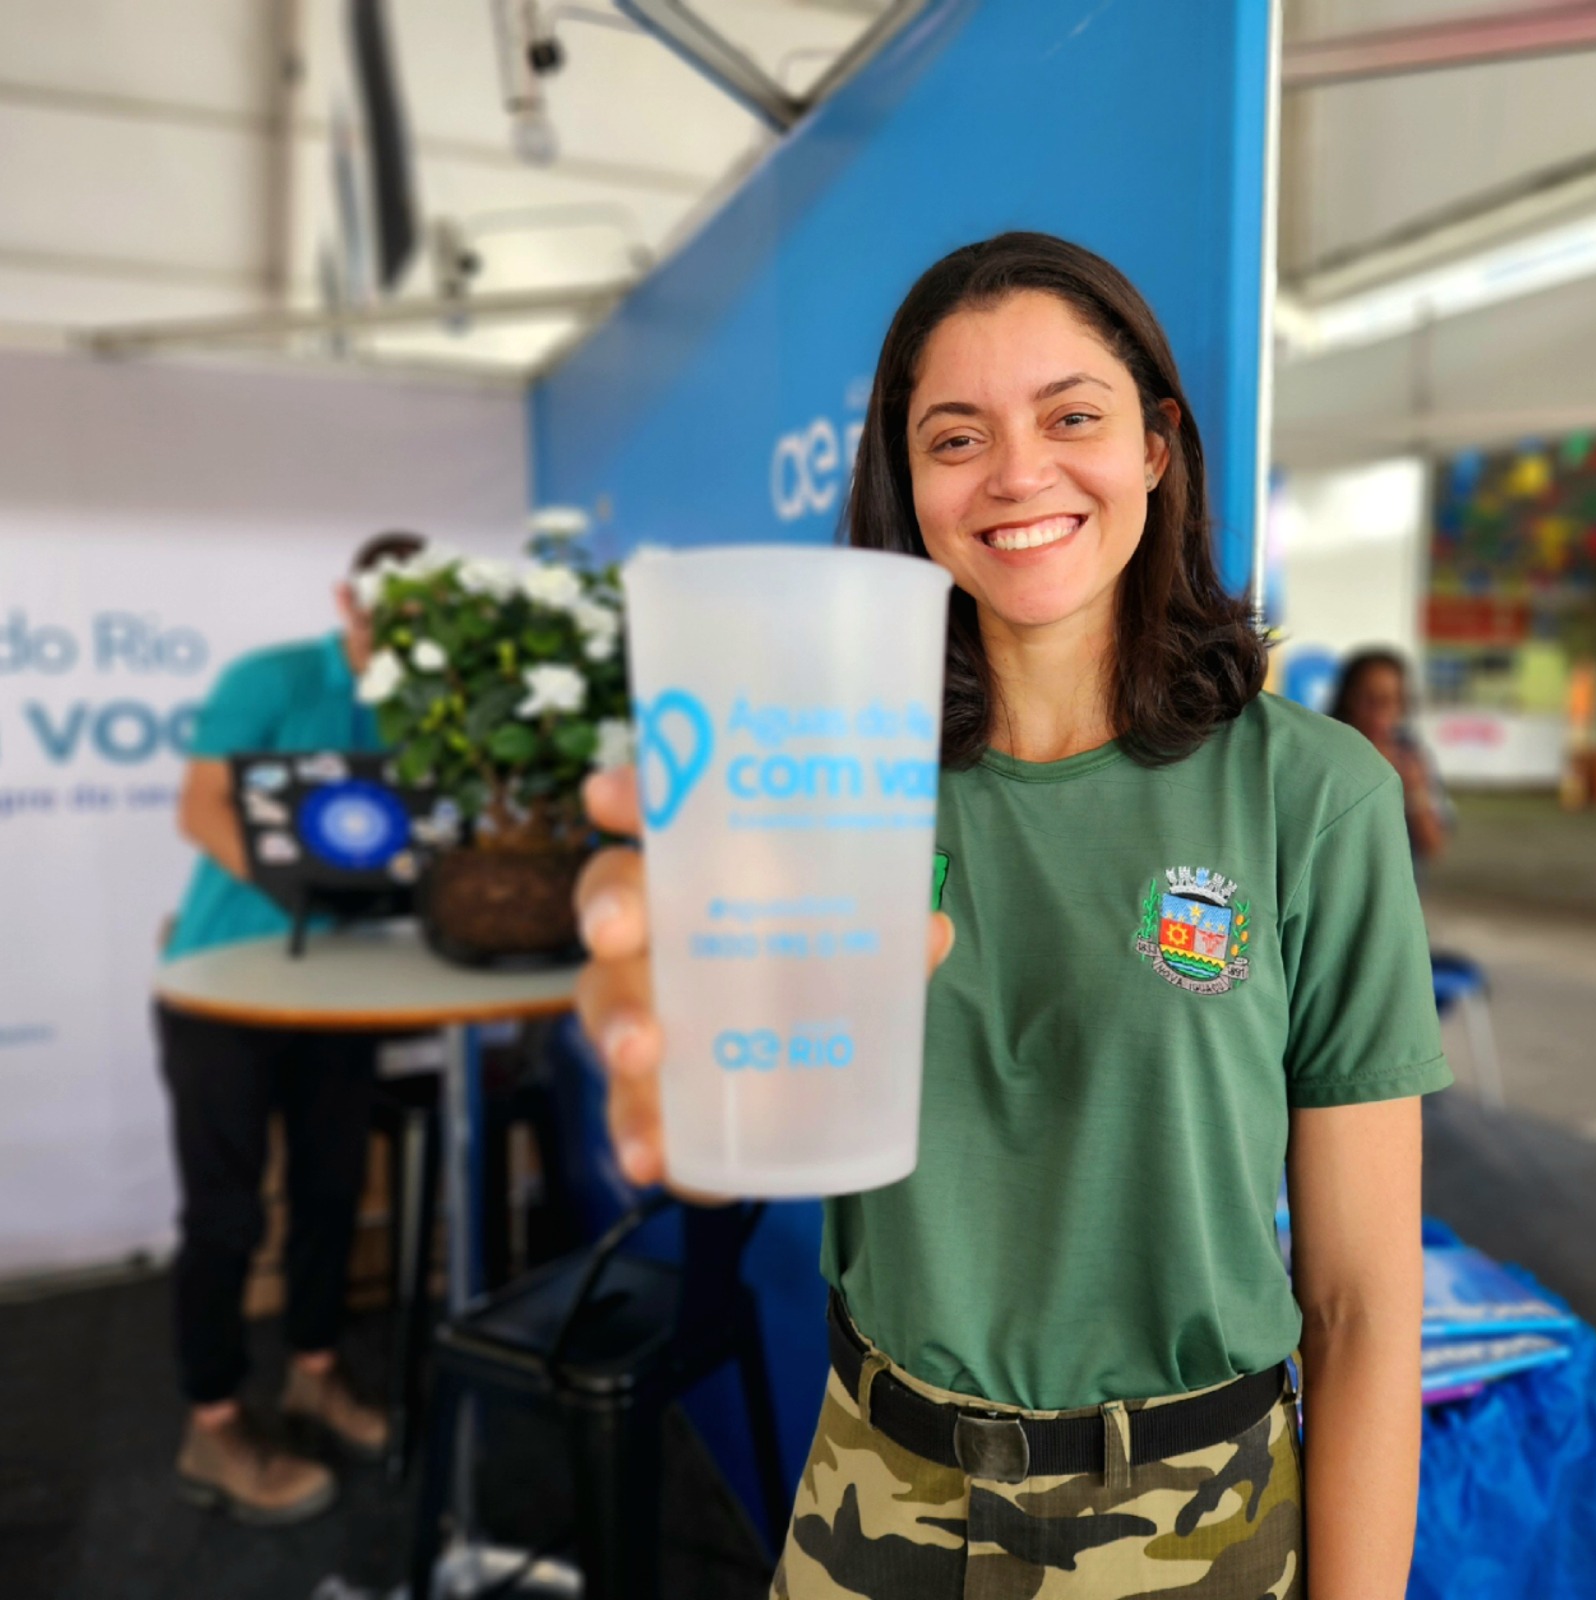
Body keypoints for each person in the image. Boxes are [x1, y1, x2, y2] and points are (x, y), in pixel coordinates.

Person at [575, 234, 1451, 1599]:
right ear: (908, 484)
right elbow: (734, 1097)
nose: (1019, 474)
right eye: (956, 436)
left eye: (1073, 417)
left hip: (1192, 1520)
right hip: (874, 1484)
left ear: (1157, 447)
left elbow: (1358, 1302)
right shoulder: (829, 783)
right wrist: (670, 1033)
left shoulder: (1311, 793)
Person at [156, 530, 422, 1524]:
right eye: (385, 605)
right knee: (225, 1211)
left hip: (339, 990)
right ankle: (214, 1419)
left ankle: (314, 1368)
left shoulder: (417, 705)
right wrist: (309, 904)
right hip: (219, 985)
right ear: (348, 600)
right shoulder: (266, 676)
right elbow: (200, 809)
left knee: (329, 1188)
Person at [1329, 648, 1452, 864]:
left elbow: (1433, 844)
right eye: (1367, 698)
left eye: (1389, 700)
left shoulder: (1412, 758)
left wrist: (1413, 790)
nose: (1378, 711)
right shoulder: (1323, 753)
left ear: (1403, 704)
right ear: (1346, 698)